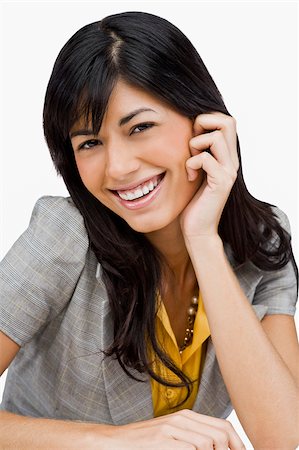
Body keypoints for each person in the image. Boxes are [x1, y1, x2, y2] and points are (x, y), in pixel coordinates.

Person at [0, 10, 298, 449]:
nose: (118, 167)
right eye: (90, 143)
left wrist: (203, 240)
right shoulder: (63, 236)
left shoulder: (261, 242)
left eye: (140, 127)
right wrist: (115, 442)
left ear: (203, 122)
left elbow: (285, 437)